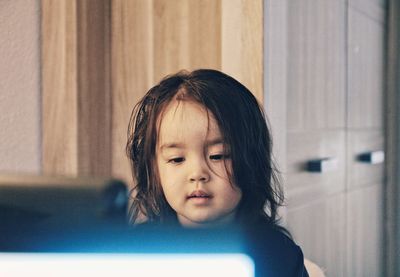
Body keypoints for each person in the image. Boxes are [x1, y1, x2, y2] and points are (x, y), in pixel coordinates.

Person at [126, 69, 309, 276]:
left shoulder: (278, 254)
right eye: (177, 159)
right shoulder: (136, 253)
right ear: (154, 169)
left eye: (218, 156)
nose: (197, 174)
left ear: (252, 161)